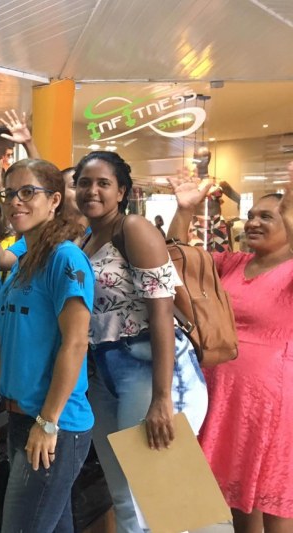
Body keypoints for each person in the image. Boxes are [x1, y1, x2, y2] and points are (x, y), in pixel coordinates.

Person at [73, 151, 208, 532]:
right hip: (104, 373)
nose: (92, 190)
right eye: (84, 183)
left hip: (150, 370)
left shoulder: (134, 228)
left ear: (121, 192)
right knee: (124, 495)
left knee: (163, 501)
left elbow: (162, 312)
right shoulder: (86, 240)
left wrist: (162, 399)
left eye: (103, 183)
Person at [168, 169, 293, 533]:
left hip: (271, 402)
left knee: (272, 497)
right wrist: (185, 209)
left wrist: (290, 198)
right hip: (222, 392)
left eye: (266, 217)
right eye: (251, 216)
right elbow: (176, 258)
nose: (252, 222)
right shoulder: (233, 263)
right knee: (237, 499)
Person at [0, 159, 94, 531]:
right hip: (21, 418)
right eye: (10, 193)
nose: (16, 201)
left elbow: (75, 343)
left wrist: (47, 422)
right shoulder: (23, 261)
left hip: (55, 423)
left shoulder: (65, 258)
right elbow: (11, 341)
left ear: (55, 200)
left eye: (28, 192)